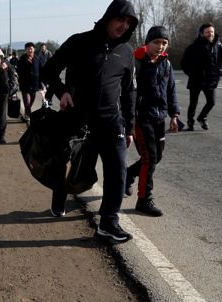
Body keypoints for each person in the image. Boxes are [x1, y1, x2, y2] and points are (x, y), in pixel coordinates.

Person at [41, 0, 138, 241]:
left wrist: (129, 126)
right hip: (77, 120)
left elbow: (130, 92)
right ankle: (60, 193)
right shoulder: (79, 42)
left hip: (111, 121)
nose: (123, 25)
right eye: (120, 19)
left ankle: (108, 222)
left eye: (128, 22)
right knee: (68, 168)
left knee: (117, 170)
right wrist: (62, 91)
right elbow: (49, 70)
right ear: (108, 17)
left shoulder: (126, 52)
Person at [124, 26, 180, 217]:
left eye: (164, 43)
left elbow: (171, 90)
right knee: (150, 158)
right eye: (156, 42)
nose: (160, 46)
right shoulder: (136, 62)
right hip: (142, 118)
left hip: (159, 117)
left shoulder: (167, 63)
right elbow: (127, 94)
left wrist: (174, 115)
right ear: (147, 43)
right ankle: (144, 200)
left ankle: (128, 175)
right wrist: (129, 123)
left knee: (157, 157)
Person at [180, 23, 222, 131]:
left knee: (211, 102)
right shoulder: (193, 47)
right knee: (193, 103)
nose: (210, 34)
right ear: (202, 33)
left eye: (212, 32)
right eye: (208, 32)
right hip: (196, 79)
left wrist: (219, 72)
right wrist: (192, 74)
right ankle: (190, 122)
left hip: (210, 80)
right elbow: (184, 63)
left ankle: (202, 118)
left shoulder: (218, 46)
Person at [17, 42, 41, 121]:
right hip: (25, 84)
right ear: (25, 50)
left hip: (34, 84)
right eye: (28, 49)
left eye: (31, 49)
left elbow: (41, 70)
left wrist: (42, 83)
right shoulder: (22, 59)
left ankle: (26, 113)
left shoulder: (37, 59)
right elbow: (18, 71)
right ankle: (29, 116)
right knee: (26, 102)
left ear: (34, 49)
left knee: (31, 101)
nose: (29, 50)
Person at [35, 43, 53, 108]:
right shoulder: (39, 53)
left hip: (48, 71)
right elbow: (38, 61)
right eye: (41, 47)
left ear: (45, 47)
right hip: (42, 72)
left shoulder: (49, 53)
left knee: (48, 86)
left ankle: (49, 99)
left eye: (43, 47)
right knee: (43, 87)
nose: (42, 48)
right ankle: (44, 102)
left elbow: (52, 61)